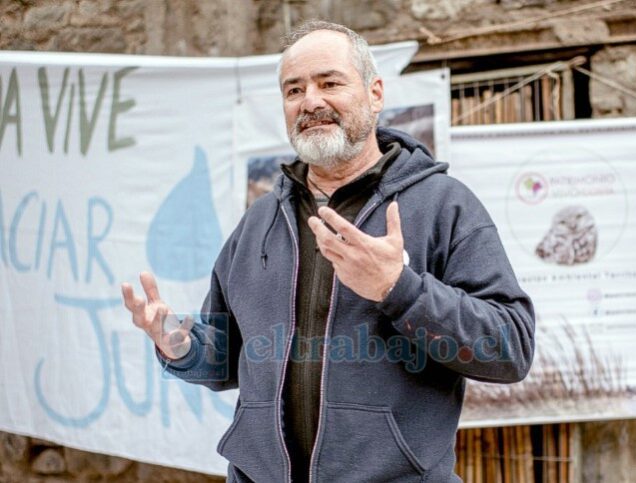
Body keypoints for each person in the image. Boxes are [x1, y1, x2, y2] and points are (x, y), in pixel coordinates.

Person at [121, 20, 535, 483]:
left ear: (375, 94)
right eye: (293, 89)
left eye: (329, 83)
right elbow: (225, 356)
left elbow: (510, 348)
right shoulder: (259, 220)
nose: (310, 101)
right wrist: (177, 345)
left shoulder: (444, 205)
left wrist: (400, 290)